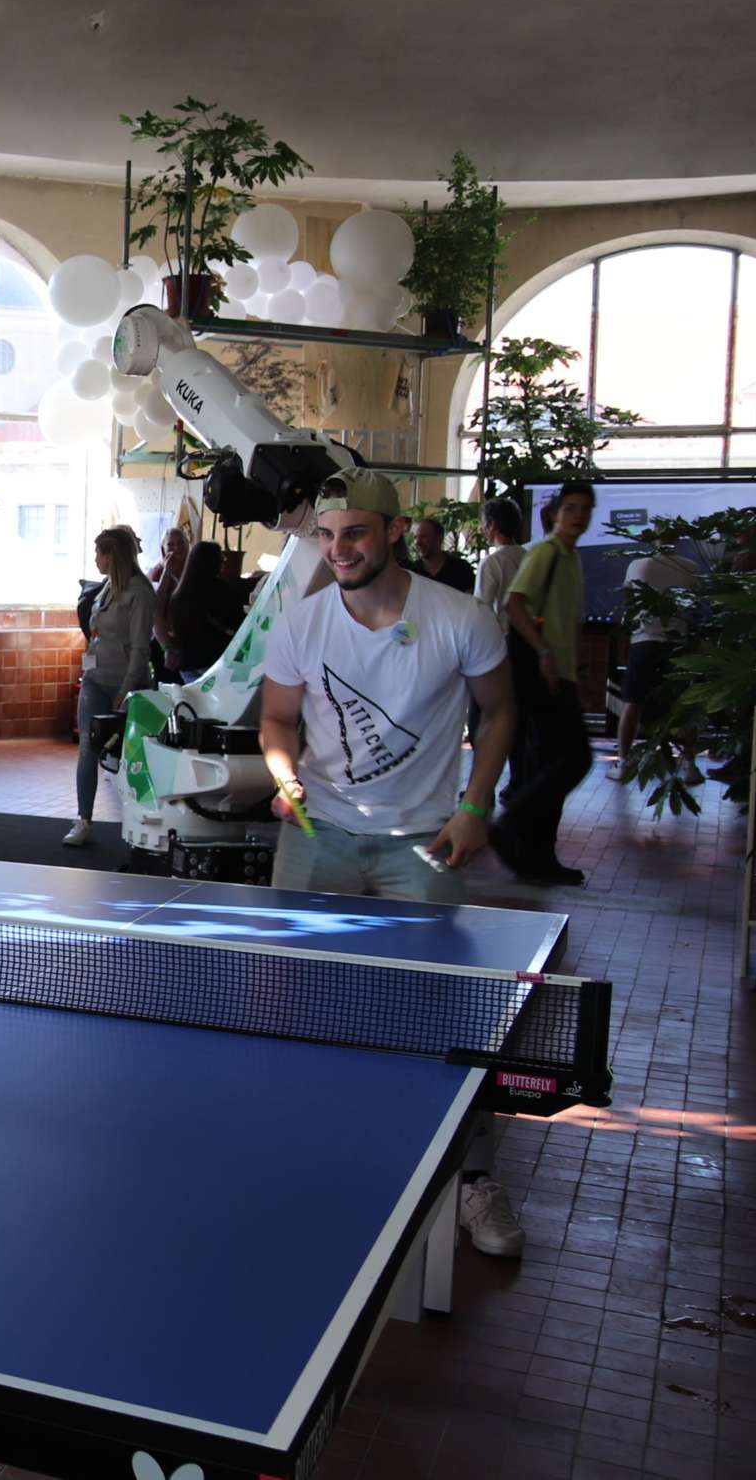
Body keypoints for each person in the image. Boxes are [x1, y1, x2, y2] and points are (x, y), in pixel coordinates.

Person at [258, 466, 525, 1258]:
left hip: (425, 841)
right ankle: (300, 1150)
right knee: (292, 1001)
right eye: (327, 535)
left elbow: (499, 711)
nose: (339, 549)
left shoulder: (460, 617)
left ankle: (473, 1178)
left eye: (355, 533)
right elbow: (277, 720)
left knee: (444, 1011)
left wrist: (475, 805)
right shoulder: (301, 623)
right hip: (321, 833)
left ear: (395, 532)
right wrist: (285, 776)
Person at [492, 480, 595, 884]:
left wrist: (575, 670)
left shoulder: (571, 558)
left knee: (552, 764)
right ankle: (510, 826)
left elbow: (567, 623)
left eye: (585, 508)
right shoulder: (546, 553)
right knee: (573, 760)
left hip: (559, 674)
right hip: (541, 673)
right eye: (571, 508)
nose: (578, 516)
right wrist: (545, 654)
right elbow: (513, 604)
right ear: (555, 514)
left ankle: (536, 857)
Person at [66, 527, 156, 847]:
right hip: (95, 679)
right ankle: (83, 819)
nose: (95, 559)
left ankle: (141, 819)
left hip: (125, 684)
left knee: (132, 755)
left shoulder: (139, 593)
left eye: (99, 553)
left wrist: (126, 690)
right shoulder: (107, 587)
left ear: (112, 556)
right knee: (87, 748)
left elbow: (141, 649)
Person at [610, 540, 706, 785]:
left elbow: (630, 606)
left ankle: (623, 763)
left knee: (632, 703)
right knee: (684, 706)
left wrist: (626, 638)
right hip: (678, 643)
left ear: (654, 539)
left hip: (643, 641)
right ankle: (689, 765)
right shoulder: (690, 567)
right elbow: (697, 607)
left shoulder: (637, 565)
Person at [167, 540, 245, 682]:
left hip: (187, 666)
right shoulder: (222, 590)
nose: (223, 562)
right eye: (221, 559)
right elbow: (239, 623)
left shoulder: (179, 594)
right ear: (213, 563)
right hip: (215, 663)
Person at [472, 499, 525, 628]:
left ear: (492, 524)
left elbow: (481, 609)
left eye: (483, 522)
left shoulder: (491, 563)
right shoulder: (528, 556)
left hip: (502, 634)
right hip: (530, 632)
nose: (481, 528)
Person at [150, 525, 190, 684]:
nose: (176, 548)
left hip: (187, 642)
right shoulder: (157, 573)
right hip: (163, 641)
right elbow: (155, 610)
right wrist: (167, 572)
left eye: (181, 543)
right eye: (170, 545)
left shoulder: (192, 571)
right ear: (163, 549)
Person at [407, 516, 476, 594]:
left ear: (439, 538)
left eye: (423, 537)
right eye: (416, 538)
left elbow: (471, 599)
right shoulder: (412, 572)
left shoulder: (461, 568)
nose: (418, 542)